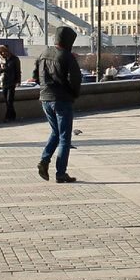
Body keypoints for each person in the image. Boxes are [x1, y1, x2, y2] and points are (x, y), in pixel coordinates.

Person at [34, 26, 82, 182]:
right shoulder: (67, 56)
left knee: (55, 132)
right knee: (64, 138)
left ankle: (44, 160)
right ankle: (61, 173)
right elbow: (75, 79)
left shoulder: (43, 53)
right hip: (62, 100)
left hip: (45, 99)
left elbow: (35, 76)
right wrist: (73, 94)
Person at [0, 44, 21, 121]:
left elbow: (18, 71)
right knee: (6, 101)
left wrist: (18, 81)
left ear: (7, 51)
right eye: (1, 52)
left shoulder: (14, 59)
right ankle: (12, 115)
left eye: (3, 51)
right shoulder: (1, 60)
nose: (2, 54)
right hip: (4, 82)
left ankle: (7, 117)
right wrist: (0, 69)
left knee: (9, 100)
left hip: (11, 82)